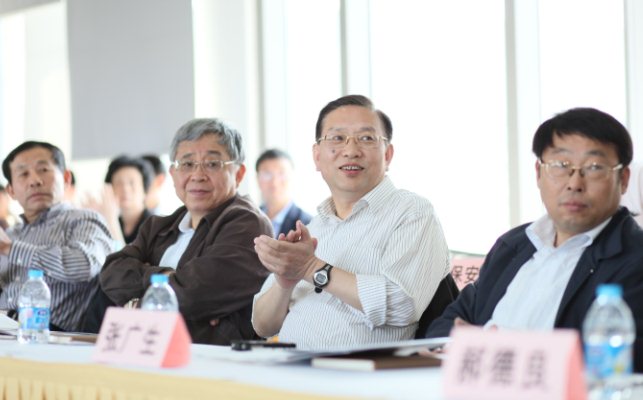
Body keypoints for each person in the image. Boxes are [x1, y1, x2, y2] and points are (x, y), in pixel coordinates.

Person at [425, 107, 643, 372]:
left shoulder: (635, 258)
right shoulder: (513, 245)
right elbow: (447, 324)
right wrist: (459, 342)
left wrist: (498, 352)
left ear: (623, 179)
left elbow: (625, 357)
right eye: (560, 166)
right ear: (539, 173)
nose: (575, 183)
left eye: (594, 167)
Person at [252, 95, 451, 349]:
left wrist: (312, 268)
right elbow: (262, 325)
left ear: (388, 154)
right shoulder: (315, 226)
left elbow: (402, 306)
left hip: (360, 371)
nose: (351, 150)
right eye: (337, 138)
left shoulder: (412, 212)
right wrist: (285, 282)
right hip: (287, 366)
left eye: (366, 138)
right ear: (317, 156)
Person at [91, 118, 272, 345]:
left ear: (238, 173)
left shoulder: (248, 224)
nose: (197, 175)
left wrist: (136, 302)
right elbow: (111, 274)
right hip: (144, 351)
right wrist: (167, 279)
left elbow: (195, 295)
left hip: (209, 359)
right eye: (187, 164)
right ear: (173, 174)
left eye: (212, 164)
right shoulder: (159, 226)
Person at [0, 141, 114, 331]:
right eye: (23, 174)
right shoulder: (11, 234)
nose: (34, 181)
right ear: (11, 190)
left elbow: (85, 265)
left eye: (43, 170)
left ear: (66, 178)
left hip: (52, 338)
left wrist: (10, 249)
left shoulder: (84, 220)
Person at [86, 155, 153, 244]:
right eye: (119, 183)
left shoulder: (154, 226)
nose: (125, 189)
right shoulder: (116, 220)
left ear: (145, 190)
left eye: (132, 183)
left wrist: (111, 221)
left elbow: (125, 253)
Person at [256, 148, 312, 237]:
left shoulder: (308, 224)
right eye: (267, 174)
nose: (275, 182)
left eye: (282, 174)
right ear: (258, 179)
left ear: (293, 177)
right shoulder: (249, 219)